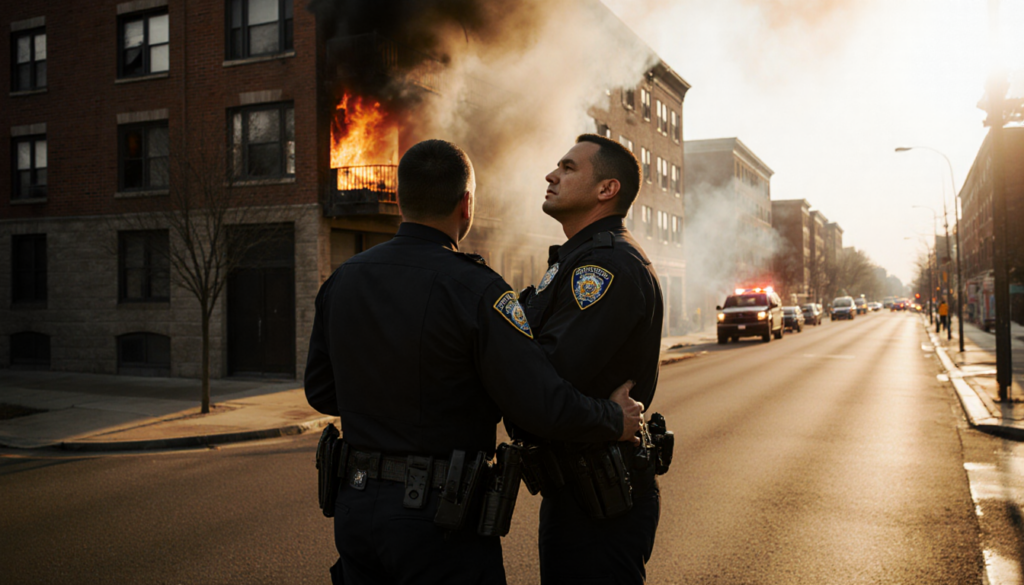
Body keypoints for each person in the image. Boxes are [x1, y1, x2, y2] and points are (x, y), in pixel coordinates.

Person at [304, 139, 644, 585]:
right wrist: (611, 418)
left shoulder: (342, 280)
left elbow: (321, 390)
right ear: (466, 205)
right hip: (439, 519)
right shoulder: (478, 290)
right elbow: (536, 401)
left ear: (402, 200)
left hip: (355, 509)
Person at [519, 134, 664, 584]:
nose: (551, 174)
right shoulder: (578, 260)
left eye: (567, 167)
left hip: (600, 497)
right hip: (580, 489)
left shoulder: (605, 267)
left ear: (607, 190)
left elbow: (543, 382)